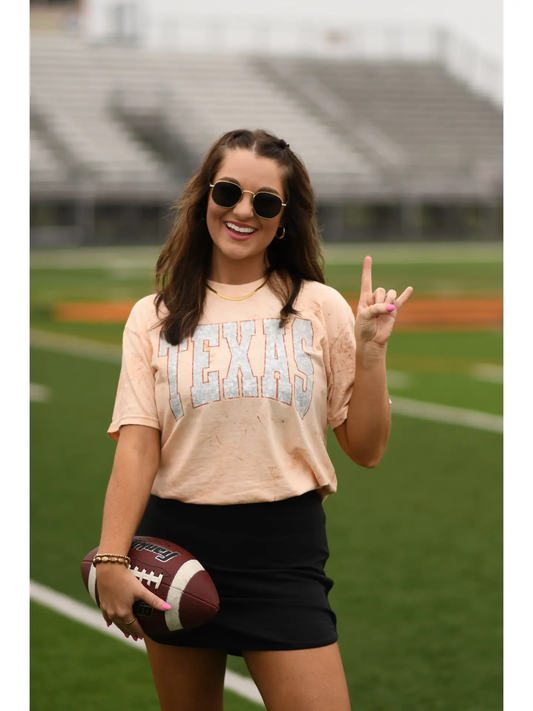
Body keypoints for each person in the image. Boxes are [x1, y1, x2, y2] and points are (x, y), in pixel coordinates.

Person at [94, 128, 413, 711]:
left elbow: (366, 449)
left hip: (283, 555)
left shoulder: (320, 307)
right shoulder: (153, 317)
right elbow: (138, 447)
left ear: (285, 219)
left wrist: (371, 352)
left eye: (265, 201)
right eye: (228, 192)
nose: (243, 211)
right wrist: (112, 558)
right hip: (174, 552)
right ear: (204, 200)